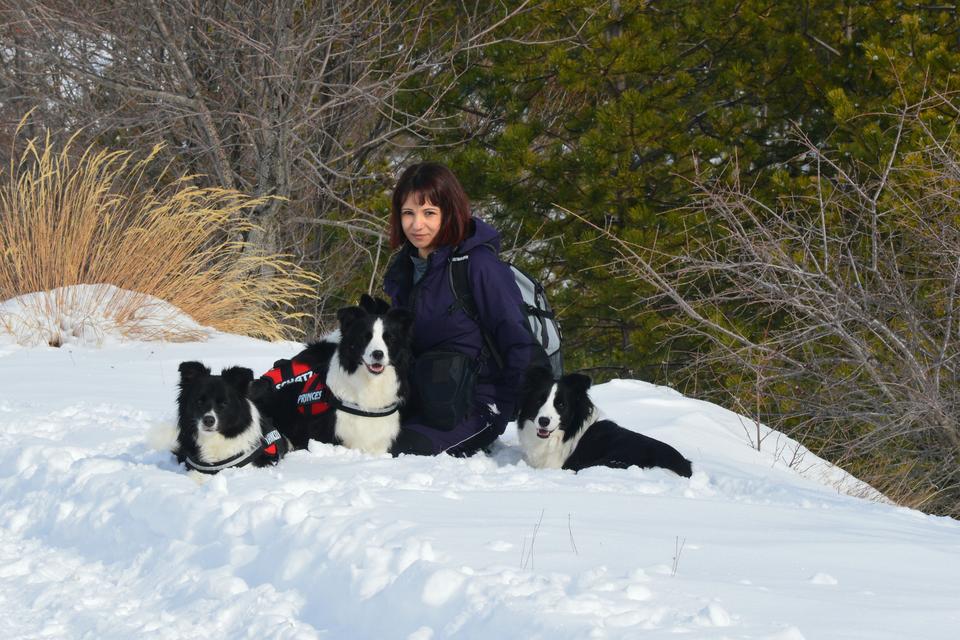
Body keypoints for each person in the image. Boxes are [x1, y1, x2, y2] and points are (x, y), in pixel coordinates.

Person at [384, 162, 547, 456]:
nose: (416, 224)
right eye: (408, 213)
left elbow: (517, 339)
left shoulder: (478, 266)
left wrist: (517, 408)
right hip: (424, 398)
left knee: (402, 450)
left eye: (429, 213)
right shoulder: (403, 270)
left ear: (450, 213)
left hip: (477, 404)